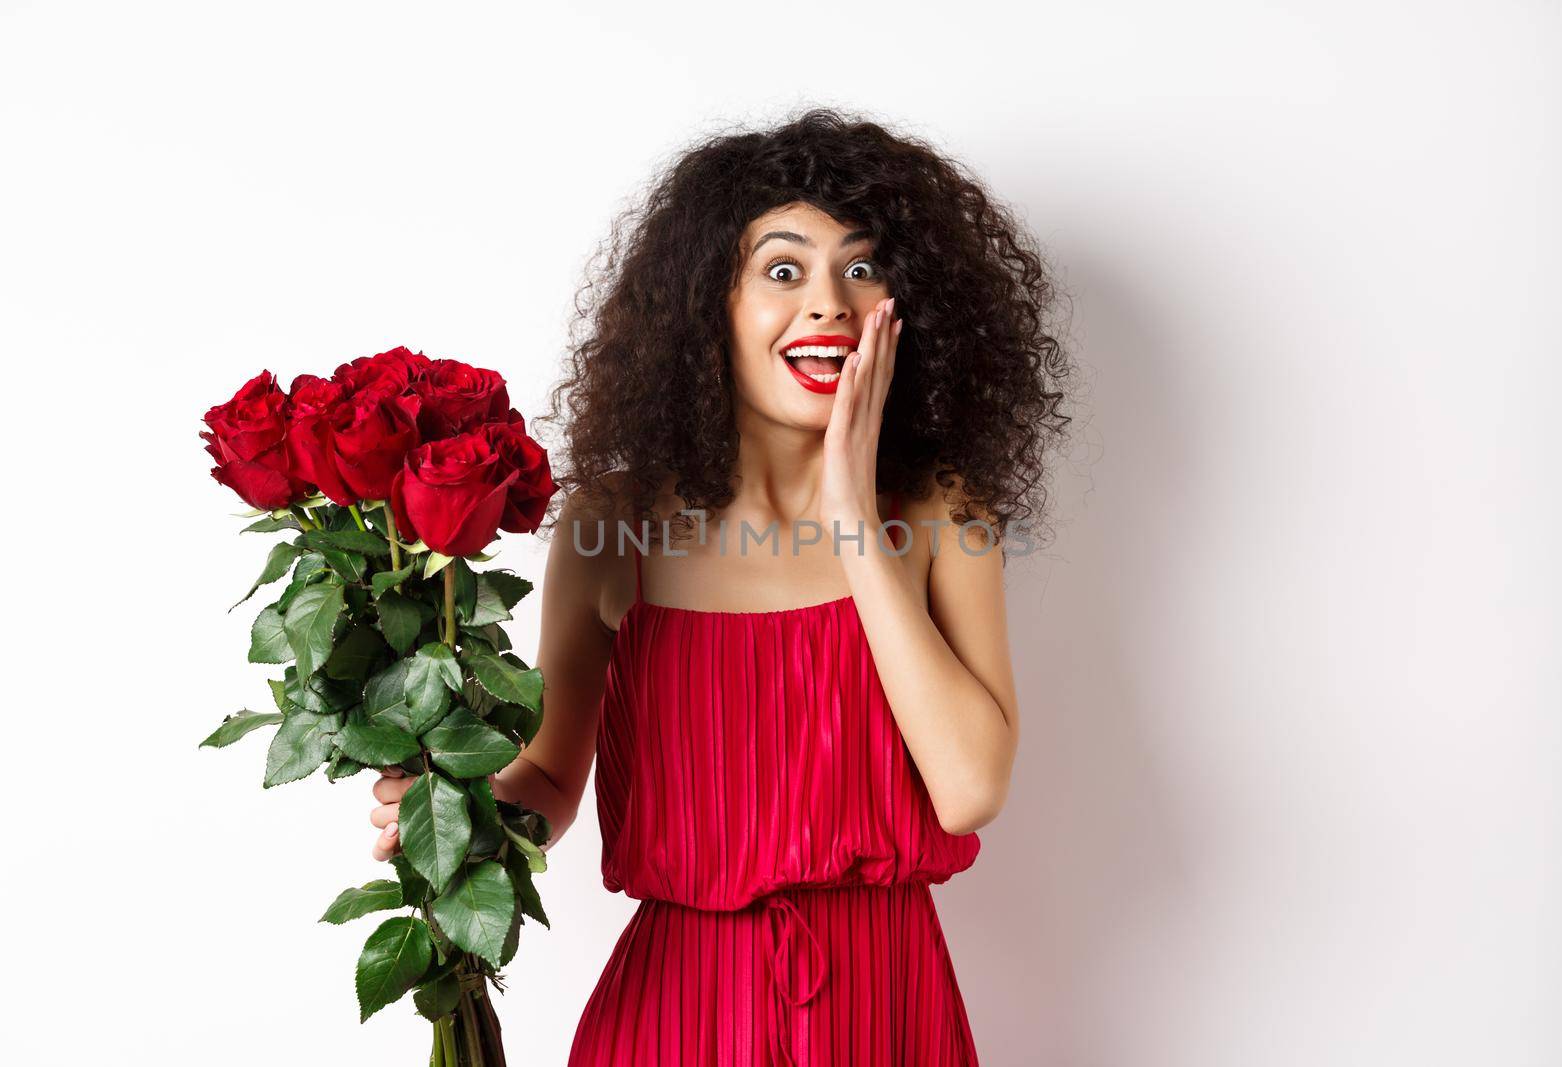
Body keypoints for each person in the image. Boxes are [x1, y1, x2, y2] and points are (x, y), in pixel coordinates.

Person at [367, 107, 1075, 1065]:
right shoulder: (612, 527)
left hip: (885, 1008)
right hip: (679, 1011)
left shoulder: (945, 513)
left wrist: (856, 516)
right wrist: (457, 816)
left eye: (862, 269)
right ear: (710, 305)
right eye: (783, 271)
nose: (829, 304)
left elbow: (969, 789)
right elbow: (550, 776)